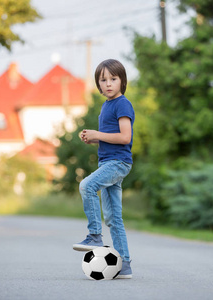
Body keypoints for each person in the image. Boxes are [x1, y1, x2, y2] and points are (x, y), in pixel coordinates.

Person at [72, 59, 135, 279]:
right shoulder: (106, 105)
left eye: (113, 79)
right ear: (98, 84)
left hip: (117, 163)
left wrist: (98, 134)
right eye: (103, 80)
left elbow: (125, 137)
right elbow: (111, 137)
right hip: (108, 163)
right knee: (113, 218)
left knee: (86, 186)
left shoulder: (122, 104)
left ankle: (94, 236)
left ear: (122, 81)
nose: (108, 84)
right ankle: (124, 264)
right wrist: (93, 139)